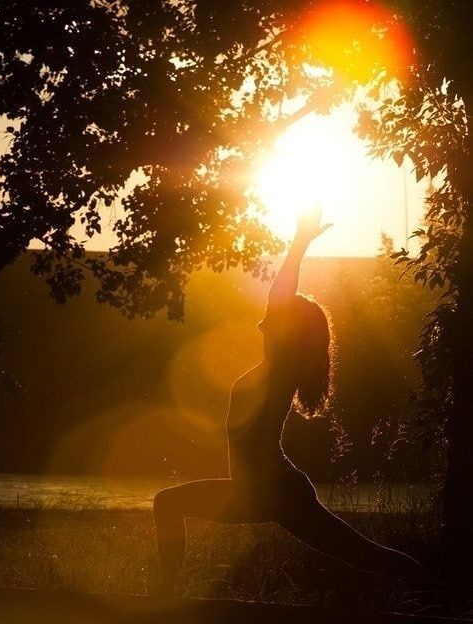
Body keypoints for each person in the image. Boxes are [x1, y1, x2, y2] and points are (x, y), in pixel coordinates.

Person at [153, 210, 428, 593]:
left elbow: (278, 294)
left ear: (286, 330)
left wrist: (299, 244)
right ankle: (166, 590)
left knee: (360, 554)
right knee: (167, 504)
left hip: (275, 490)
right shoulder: (275, 368)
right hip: (258, 490)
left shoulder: (280, 367)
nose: (264, 319)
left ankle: (432, 586)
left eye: (276, 316)